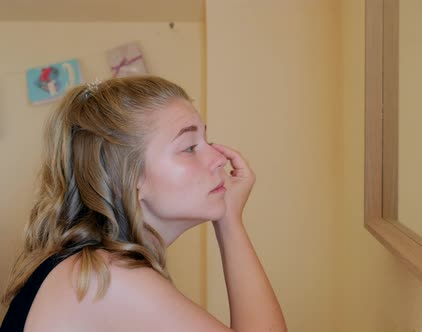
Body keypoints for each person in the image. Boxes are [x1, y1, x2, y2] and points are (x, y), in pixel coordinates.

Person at [0, 76, 287, 332]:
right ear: (130, 175)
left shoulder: (91, 268)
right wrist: (230, 221)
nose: (218, 158)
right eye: (189, 147)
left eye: (207, 140)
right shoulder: (107, 279)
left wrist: (228, 214)